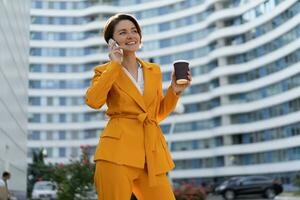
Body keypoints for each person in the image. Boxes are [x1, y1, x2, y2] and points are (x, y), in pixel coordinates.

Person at [85, 13, 192, 200]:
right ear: (112, 41)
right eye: (123, 32)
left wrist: (174, 91)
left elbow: (156, 114)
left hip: (151, 154)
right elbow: (93, 101)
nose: (130, 36)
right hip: (116, 154)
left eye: (134, 31)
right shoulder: (104, 71)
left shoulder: (153, 71)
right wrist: (115, 65)